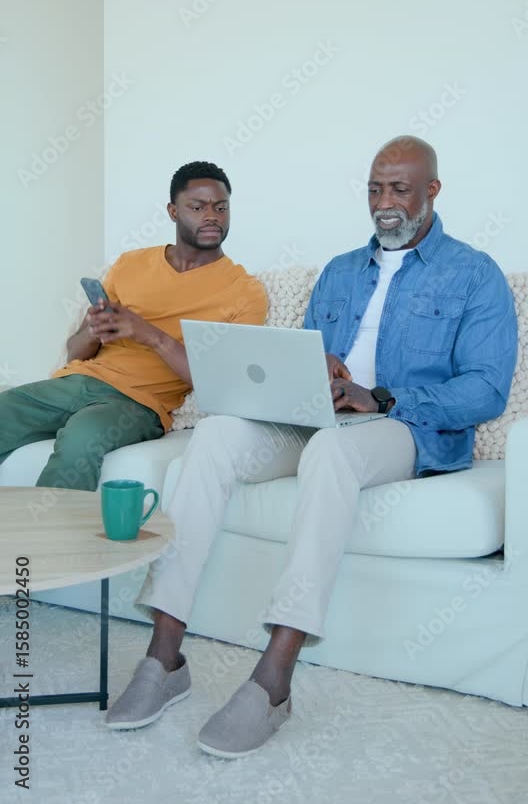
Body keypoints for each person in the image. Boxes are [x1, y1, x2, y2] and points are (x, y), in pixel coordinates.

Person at [105, 137, 517, 758]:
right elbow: (299, 359)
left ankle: (274, 679)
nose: (384, 202)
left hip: (403, 427)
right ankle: (164, 657)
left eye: (399, 189)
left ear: (432, 190)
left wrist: (380, 396)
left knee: (331, 453)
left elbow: (485, 389)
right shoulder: (340, 271)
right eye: (375, 189)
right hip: (315, 416)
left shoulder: (475, 274)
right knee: (215, 433)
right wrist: (315, 371)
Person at [0, 162, 267, 491]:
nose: (212, 216)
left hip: (137, 404)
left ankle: (53, 527)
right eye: (198, 207)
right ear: (173, 211)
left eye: (221, 207)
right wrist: (94, 329)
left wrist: (148, 334)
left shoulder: (245, 291)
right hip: (78, 382)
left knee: (82, 436)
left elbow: (225, 385)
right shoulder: (130, 264)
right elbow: (74, 354)